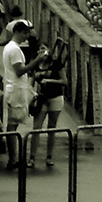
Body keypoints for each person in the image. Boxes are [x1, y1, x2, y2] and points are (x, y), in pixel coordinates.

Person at [0, 19, 47, 168]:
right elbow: (20, 71)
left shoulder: (9, 48)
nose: (27, 37)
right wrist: (38, 60)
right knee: (14, 125)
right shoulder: (14, 49)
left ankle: (13, 157)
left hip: (12, 88)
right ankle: (13, 158)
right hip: (16, 89)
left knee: (12, 124)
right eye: (25, 33)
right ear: (18, 32)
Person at [28, 38, 69, 168]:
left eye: (44, 48)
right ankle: (32, 157)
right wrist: (33, 93)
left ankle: (49, 156)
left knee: (52, 128)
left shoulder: (56, 64)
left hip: (55, 97)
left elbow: (64, 81)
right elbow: (30, 83)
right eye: (40, 49)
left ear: (49, 50)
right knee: (36, 128)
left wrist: (50, 81)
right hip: (41, 99)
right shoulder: (34, 65)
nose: (42, 51)